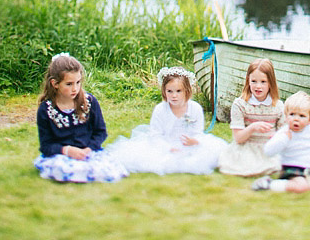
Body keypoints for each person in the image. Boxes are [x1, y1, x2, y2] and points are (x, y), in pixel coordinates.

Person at [105, 66, 227, 174]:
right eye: (170, 91)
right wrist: (168, 148)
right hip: (164, 145)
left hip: (189, 145)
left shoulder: (195, 108)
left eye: (178, 91)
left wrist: (195, 141)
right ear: (164, 91)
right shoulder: (160, 109)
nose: (174, 95)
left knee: (211, 154)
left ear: (187, 91)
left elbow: (198, 132)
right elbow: (155, 135)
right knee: (150, 159)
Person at [33, 53, 128, 183]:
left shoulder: (89, 101)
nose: (75, 88)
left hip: (88, 152)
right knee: (62, 169)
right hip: (62, 155)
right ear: (55, 83)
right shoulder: (46, 109)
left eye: (78, 82)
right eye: (69, 84)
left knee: (105, 167)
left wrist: (88, 150)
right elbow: (46, 145)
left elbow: (100, 132)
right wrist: (68, 151)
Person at [252, 91, 310, 192]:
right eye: (292, 114)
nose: (296, 119)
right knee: (302, 186)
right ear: (286, 116)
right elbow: (268, 151)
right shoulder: (285, 133)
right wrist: (284, 139)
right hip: (293, 168)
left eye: (302, 116)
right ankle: (269, 184)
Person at [217, 58, 286, 177]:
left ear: (271, 82)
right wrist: (252, 128)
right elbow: (238, 138)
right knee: (241, 165)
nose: (258, 86)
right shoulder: (240, 104)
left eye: (263, 82)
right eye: (254, 81)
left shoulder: (278, 106)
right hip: (247, 147)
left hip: (269, 147)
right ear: (248, 81)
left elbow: (284, 134)